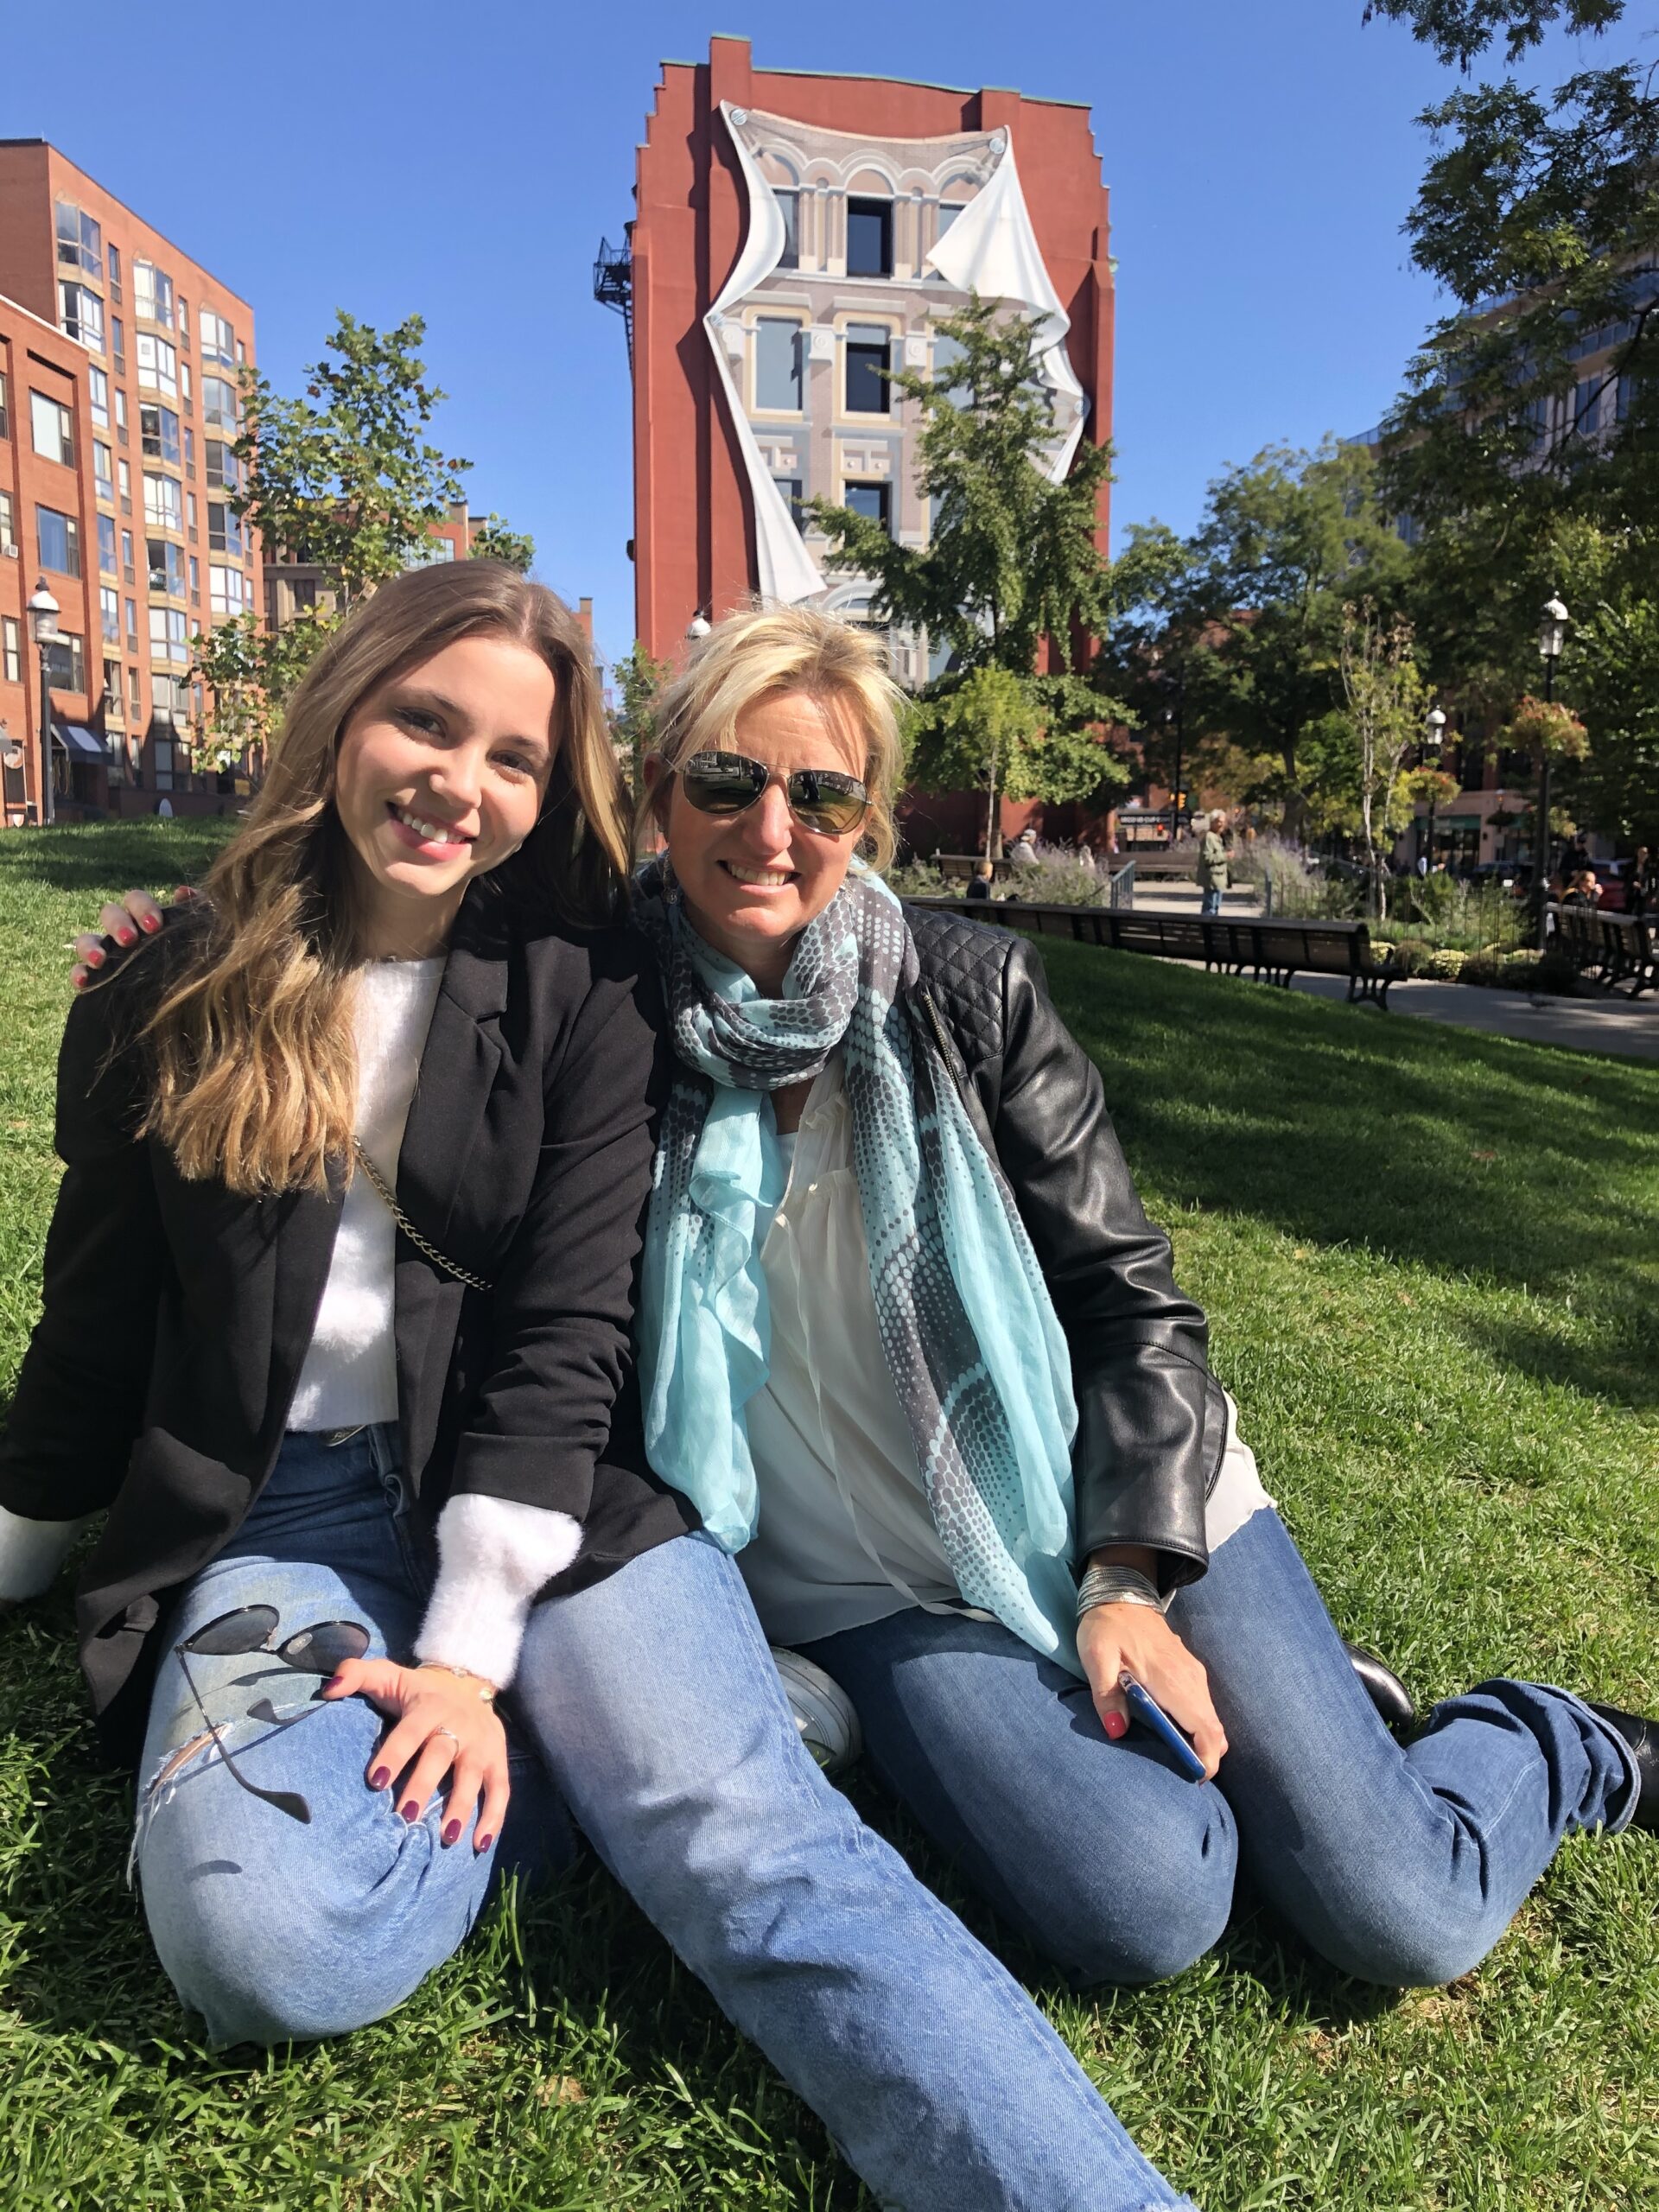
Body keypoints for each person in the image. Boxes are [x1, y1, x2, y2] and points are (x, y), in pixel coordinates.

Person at [10, 565, 1223, 2212]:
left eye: (513, 755)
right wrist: (23, 1553)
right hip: (282, 1517)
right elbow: (87, 1333)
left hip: (559, 1504)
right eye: (424, 722)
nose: (459, 782)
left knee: (758, 1862)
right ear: (340, 714)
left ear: (553, 785)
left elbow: (569, 1332)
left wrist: (460, 1658)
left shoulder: (585, 987)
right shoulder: (169, 992)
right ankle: (614, 1765)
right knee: (268, 1949)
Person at [626, 603, 1650, 2018]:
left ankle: (1547, 1739)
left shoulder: (966, 994)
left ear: (870, 819)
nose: (772, 827)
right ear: (660, 789)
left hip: (1109, 1497)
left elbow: (1131, 1307)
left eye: (825, 791)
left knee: (1396, 1914)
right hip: (867, 1598)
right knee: (1144, 1900)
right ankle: (1307, 1725)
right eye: (729, 780)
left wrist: (1123, 1576)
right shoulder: (596, 1022)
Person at [1197, 809, 1230, 918]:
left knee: (1215, 909)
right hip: (1212, 879)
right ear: (1212, 822)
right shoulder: (1209, 837)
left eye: (1223, 822)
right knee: (1210, 910)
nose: (1221, 824)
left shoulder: (1218, 837)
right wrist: (1226, 856)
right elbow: (1207, 858)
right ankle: (1207, 931)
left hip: (1218, 879)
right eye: (1219, 821)